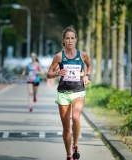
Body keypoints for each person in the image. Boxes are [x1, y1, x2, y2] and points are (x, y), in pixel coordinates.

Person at [46, 27, 92, 160]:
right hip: (63, 94)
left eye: (72, 38)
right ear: (63, 41)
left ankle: (75, 145)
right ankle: (68, 155)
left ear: (76, 40)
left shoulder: (82, 55)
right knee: (66, 128)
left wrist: (87, 76)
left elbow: (89, 65)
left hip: (78, 91)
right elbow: (48, 74)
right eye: (67, 38)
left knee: (76, 118)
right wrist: (56, 73)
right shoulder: (59, 56)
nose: (70, 41)